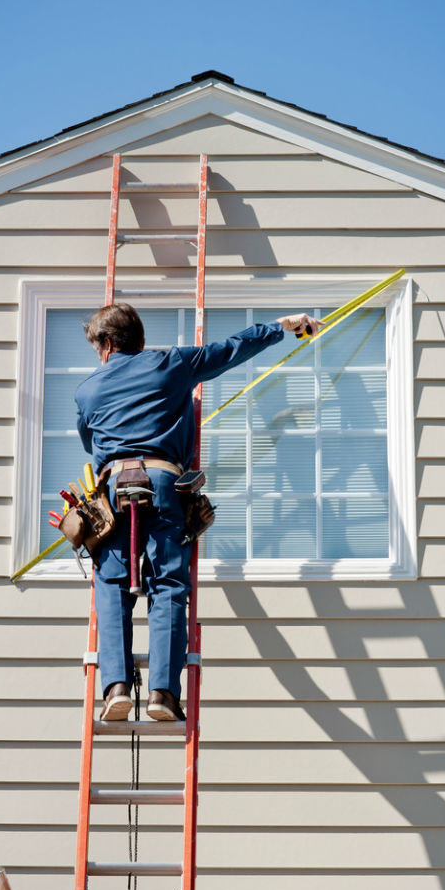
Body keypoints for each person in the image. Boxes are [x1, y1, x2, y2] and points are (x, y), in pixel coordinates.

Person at [75, 303, 321, 722]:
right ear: (140, 339)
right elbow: (232, 349)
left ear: (108, 344)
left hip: (113, 490)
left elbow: (89, 442)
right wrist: (283, 326)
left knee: (111, 585)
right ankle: (163, 695)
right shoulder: (172, 364)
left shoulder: (87, 390)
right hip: (165, 485)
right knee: (169, 585)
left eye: (99, 347)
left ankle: (116, 686)